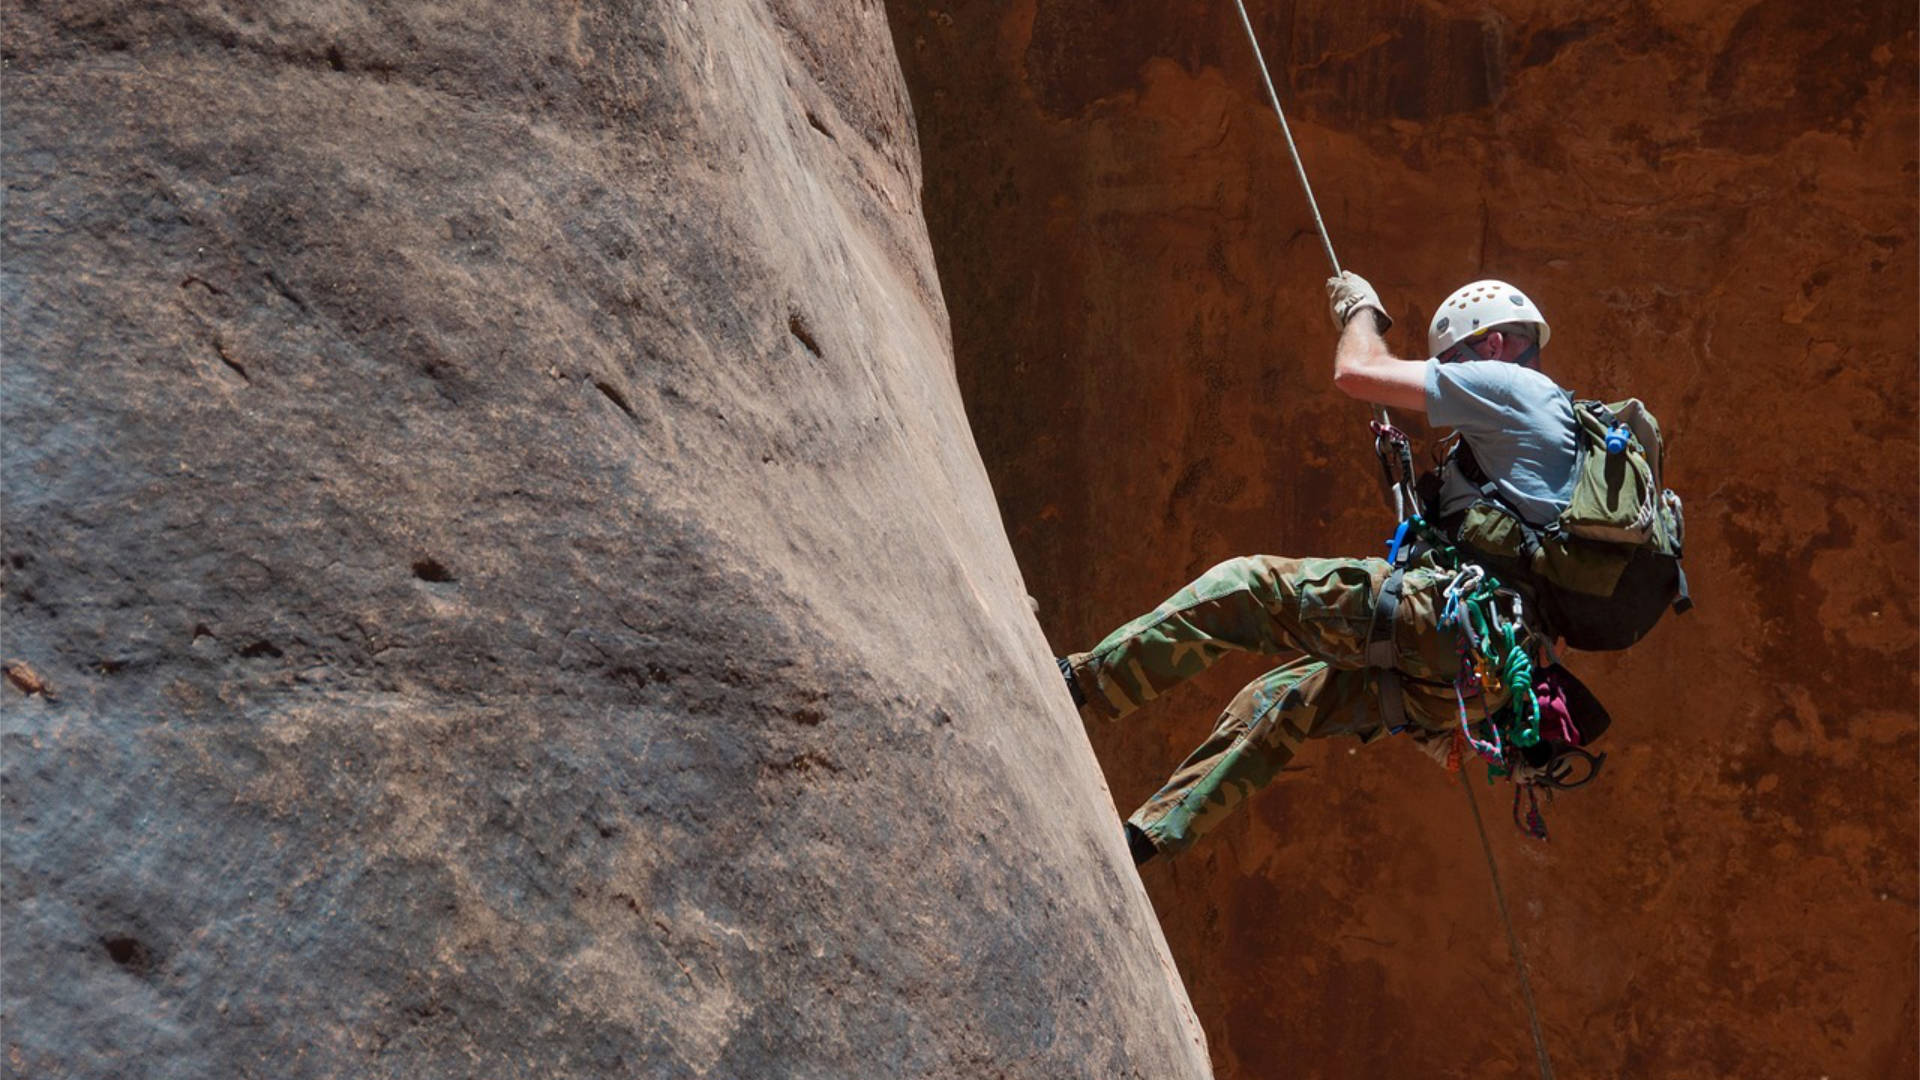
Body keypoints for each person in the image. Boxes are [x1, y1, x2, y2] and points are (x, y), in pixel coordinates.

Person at [1058, 273, 1599, 865]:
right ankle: (1143, 842)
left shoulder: (1514, 385)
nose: (1455, 375)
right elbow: (1478, 549)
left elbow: (1357, 371)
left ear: (1492, 345)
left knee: (1249, 588)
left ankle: (1078, 684)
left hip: (1454, 630)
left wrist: (1361, 315)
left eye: (1456, 361)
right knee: (1285, 700)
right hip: (1474, 679)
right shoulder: (1554, 434)